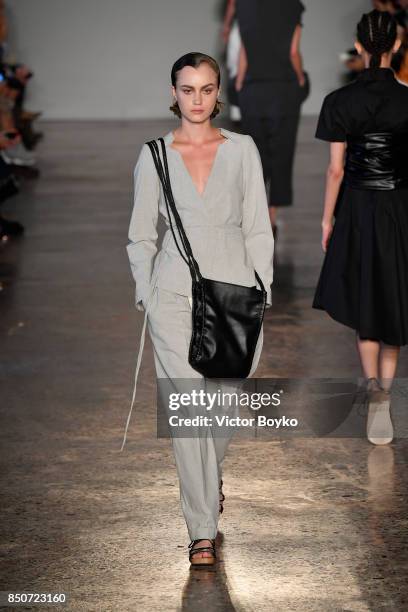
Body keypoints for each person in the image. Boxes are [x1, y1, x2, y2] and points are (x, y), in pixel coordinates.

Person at [123, 52, 274, 566]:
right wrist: (148, 291)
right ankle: (201, 528)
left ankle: (210, 481)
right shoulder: (155, 156)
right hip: (173, 298)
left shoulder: (243, 150)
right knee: (189, 413)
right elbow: (141, 235)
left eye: (206, 89)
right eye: (187, 90)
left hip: (234, 297)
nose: (197, 99)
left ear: (217, 93)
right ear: (173, 93)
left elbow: (257, 226)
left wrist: (264, 292)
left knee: (223, 409)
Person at [312, 10, 408, 446]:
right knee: (394, 297)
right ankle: (384, 394)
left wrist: (327, 218)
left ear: (358, 47)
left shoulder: (339, 101)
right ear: (396, 46)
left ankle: (373, 391)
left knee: (368, 299)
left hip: (357, 208)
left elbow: (335, 170)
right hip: (400, 208)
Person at [234, 0, 308, 238]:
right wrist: (300, 78)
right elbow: (293, 52)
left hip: (253, 89)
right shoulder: (292, 6)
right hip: (283, 90)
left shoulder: (244, 6)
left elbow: (243, 50)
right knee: (281, 153)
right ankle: (271, 217)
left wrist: (240, 83)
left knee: (254, 155)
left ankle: (253, 217)